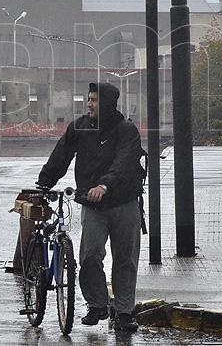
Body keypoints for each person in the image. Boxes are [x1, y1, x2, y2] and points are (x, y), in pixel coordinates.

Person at [36, 82, 145, 332]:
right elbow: (61, 155)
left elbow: (124, 162)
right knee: (90, 256)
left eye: (94, 100)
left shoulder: (126, 130)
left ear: (107, 103)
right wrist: (44, 182)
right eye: (88, 99)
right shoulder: (80, 127)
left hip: (124, 202)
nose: (89, 104)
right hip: (93, 205)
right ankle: (97, 304)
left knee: (125, 260)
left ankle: (124, 312)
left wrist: (104, 186)